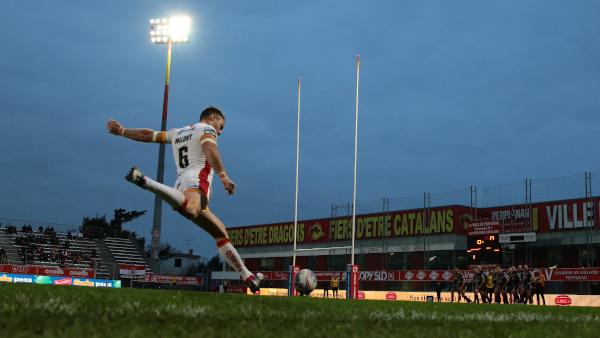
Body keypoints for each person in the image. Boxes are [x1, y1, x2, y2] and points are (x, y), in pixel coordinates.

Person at [107, 107, 260, 293]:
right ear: (213, 117)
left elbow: (148, 135)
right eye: (221, 126)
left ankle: (248, 276)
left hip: (182, 184)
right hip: (196, 180)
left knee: (220, 232)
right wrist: (223, 175)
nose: (219, 131)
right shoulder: (207, 129)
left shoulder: (177, 132)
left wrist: (122, 131)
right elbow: (209, 148)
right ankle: (146, 182)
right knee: (192, 210)